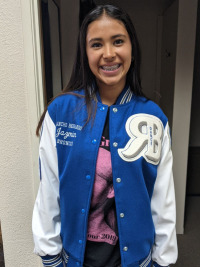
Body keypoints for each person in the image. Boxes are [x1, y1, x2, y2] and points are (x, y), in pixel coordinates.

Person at [32, 4, 178, 267]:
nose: (109, 54)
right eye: (96, 44)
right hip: (74, 260)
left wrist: (162, 260)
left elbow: (162, 199)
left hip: (136, 261)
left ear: (132, 48)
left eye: (118, 41)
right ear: (85, 53)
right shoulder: (61, 113)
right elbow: (49, 190)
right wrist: (50, 256)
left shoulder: (153, 119)